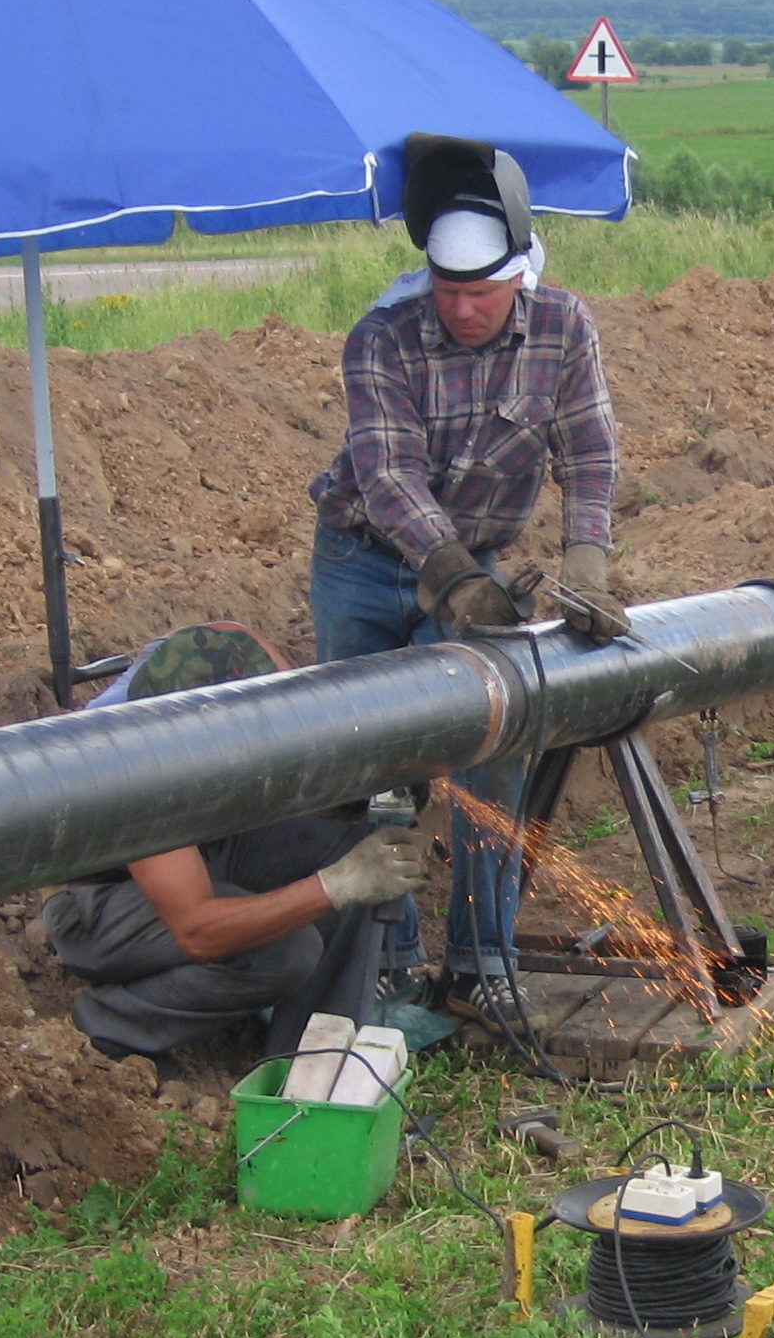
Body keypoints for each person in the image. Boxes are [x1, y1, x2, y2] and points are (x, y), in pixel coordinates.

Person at [306, 134, 628, 1031]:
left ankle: (483, 962)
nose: (463, 309)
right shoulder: (383, 337)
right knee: (368, 757)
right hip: (364, 562)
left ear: (519, 275)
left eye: (481, 293)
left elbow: (589, 451)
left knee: (492, 749)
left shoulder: (563, 329)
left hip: (476, 560)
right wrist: (448, 577)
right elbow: (389, 476)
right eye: (448, 292)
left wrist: (587, 561)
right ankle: (388, 961)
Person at [42, 626, 430, 1065]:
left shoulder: (229, 650)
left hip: (202, 849)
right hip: (97, 902)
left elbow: (305, 723)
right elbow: (198, 932)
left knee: (349, 837)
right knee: (285, 950)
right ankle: (108, 1024)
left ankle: (314, 1058)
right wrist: (335, 885)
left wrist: (366, 777)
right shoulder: (136, 769)